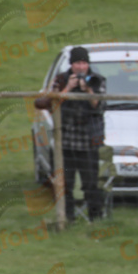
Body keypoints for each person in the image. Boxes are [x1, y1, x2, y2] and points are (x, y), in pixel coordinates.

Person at [44, 46, 107, 222]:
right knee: (65, 184)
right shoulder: (61, 79)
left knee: (91, 183)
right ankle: (67, 218)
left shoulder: (97, 80)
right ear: (72, 64)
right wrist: (69, 88)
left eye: (84, 63)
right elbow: (52, 105)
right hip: (65, 141)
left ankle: (96, 217)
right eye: (78, 63)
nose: (81, 67)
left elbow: (100, 106)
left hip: (88, 141)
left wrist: (88, 90)